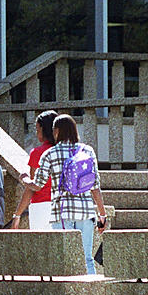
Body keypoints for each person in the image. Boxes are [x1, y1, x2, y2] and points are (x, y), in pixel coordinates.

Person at [20, 114, 108, 275]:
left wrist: (25, 179)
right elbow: (95, 186)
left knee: (66, 258)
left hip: (62, 212)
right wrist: (102, 214)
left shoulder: (50, 154)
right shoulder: (87, 150)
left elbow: (37, 185)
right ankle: (90, 294)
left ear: (57, 131)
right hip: (86, 212)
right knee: (87, 257)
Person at [8, 110, 57, 229]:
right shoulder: (66, 152)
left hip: (41, 206)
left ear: (43, 130)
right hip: (63, 206)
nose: (36, 133)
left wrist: (17, 214)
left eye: (37, 129)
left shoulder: (38, 153)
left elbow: (32, 187)